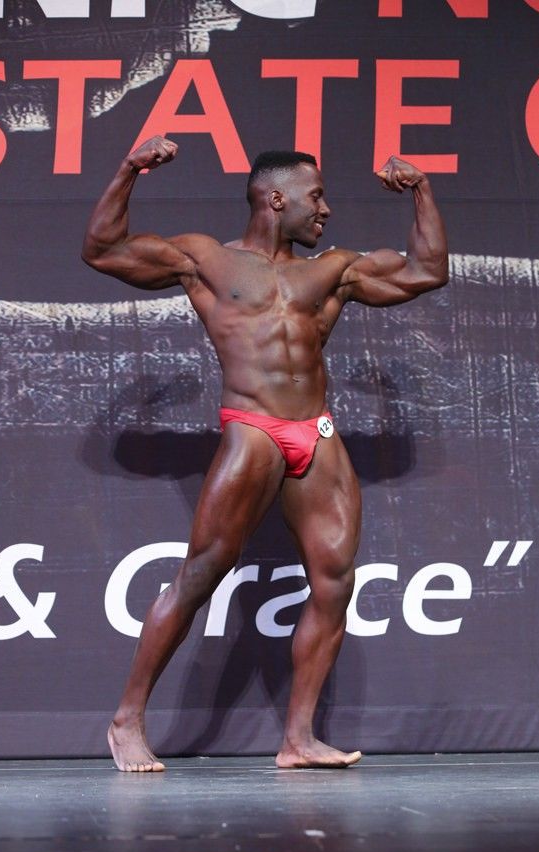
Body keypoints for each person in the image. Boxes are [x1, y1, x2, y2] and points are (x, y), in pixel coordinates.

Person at [82, 137, 448, 772]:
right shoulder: (207, 260)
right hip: (252, 427)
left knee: (334, 580)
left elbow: (426, 271)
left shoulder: (333, 270)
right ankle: (126, 720)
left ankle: (298, 739)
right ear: (277, 198)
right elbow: (103, 249)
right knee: (201, 573)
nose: (325, 209)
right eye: (316, 197)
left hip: (316, 432)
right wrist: (129, 169)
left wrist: (421, 191)